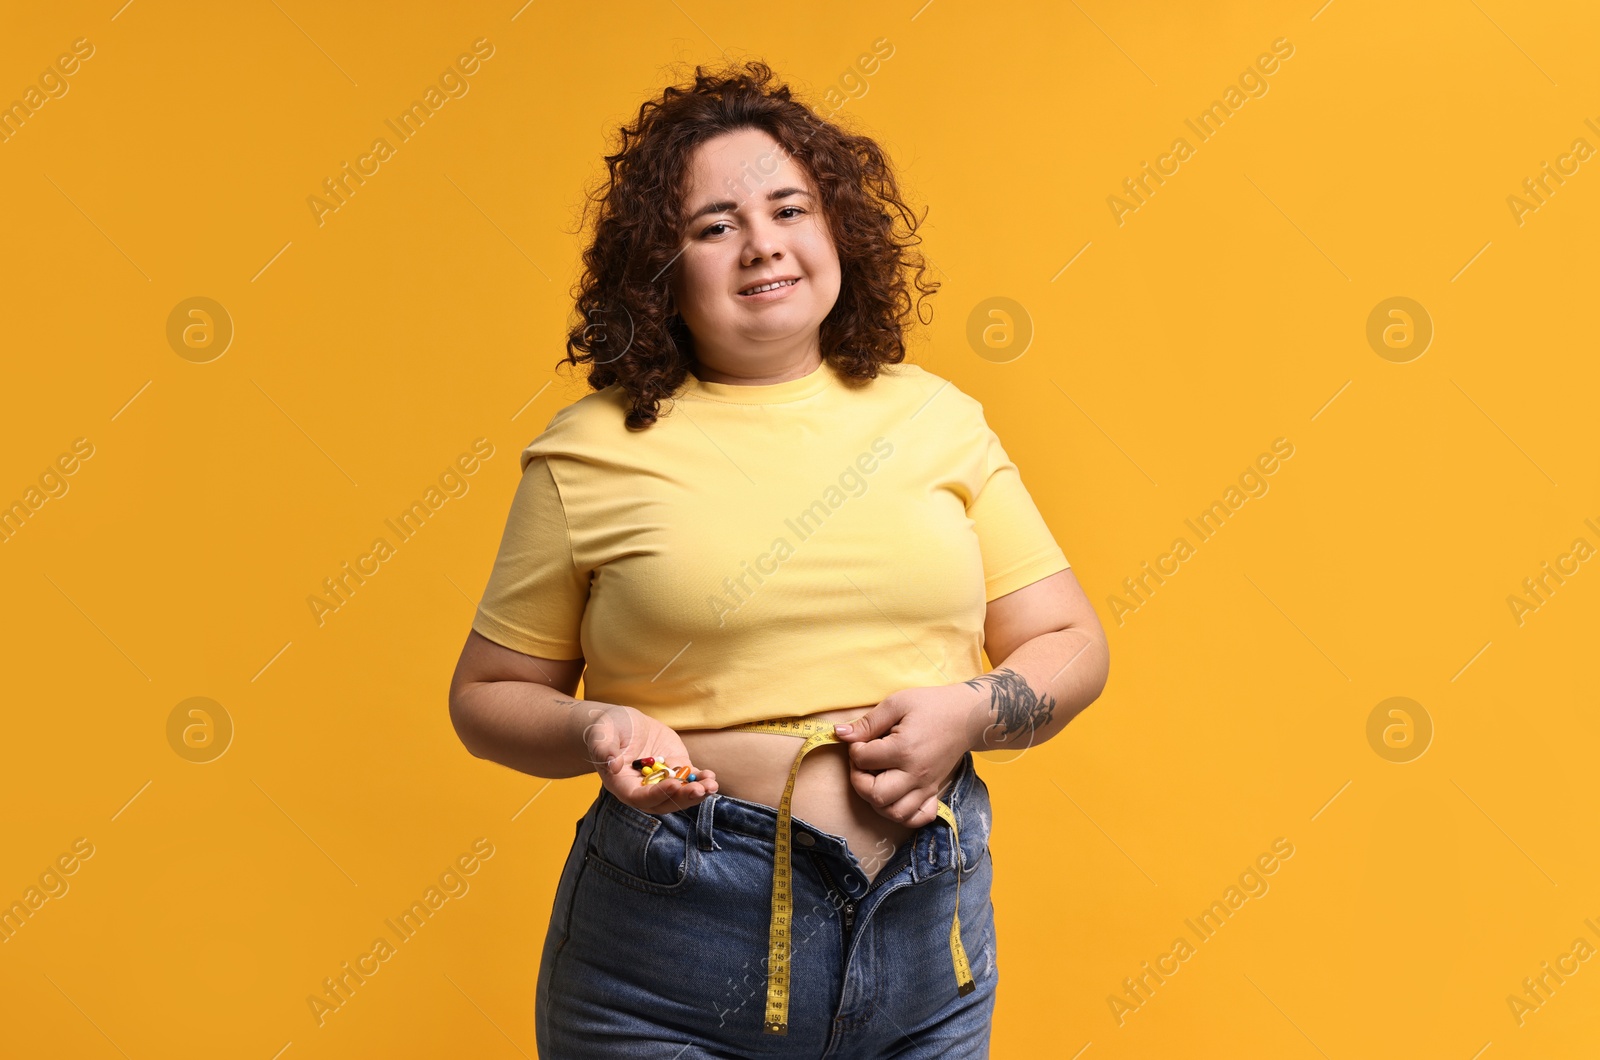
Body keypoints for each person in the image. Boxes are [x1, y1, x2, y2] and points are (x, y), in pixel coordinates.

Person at [448, 60, 1109, 1058]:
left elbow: (1070, 639)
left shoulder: (938, 420)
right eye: (714, 226)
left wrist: (970, 713)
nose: (762, 245)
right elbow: (486, 694)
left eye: (789, 208)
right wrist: (598, 726)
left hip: (926, 945)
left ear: (834, 226)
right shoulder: (587, 449)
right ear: (659, 270)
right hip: (663, 964)